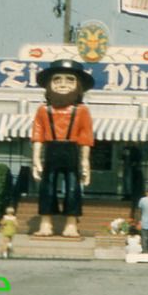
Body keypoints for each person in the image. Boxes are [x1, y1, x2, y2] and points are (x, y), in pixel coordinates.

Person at [31, 59, 95, 237]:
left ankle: (71, 224)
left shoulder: (82, 111)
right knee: (47, 186)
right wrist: (36, 158)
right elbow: (38, 134)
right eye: (57, 79)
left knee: (73, 187)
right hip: (51, 150)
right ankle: (45, 223)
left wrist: (85, 161)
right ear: (49, 85)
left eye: (70, 79)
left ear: (79, 86)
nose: (63, 84)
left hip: (72, 150)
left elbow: (86, 136)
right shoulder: (43, 110)